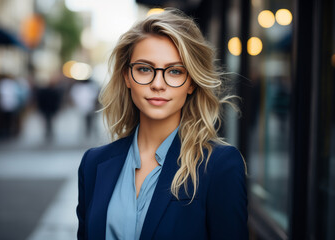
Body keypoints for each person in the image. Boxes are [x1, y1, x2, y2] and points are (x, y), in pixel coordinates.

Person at [76, 9, 248, 240]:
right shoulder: (93, 164)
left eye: (175, 71)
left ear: (191, 82)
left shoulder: (219, 166)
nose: (158, 84)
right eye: (145, 69)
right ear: (127, 76)